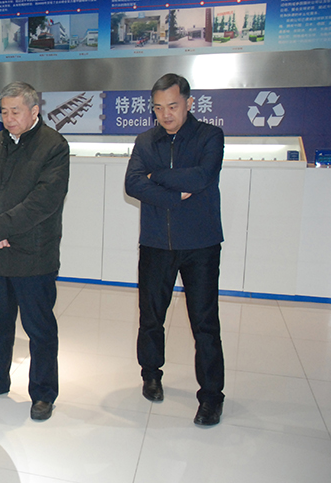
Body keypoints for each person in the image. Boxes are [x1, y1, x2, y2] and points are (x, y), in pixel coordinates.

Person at [124, 73, 225, 426]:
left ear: (189, 103)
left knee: (205, 323)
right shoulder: (145, 140)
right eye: (158, 108)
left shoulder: (210, 136)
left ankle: (211, 396)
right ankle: (151, 375)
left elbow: (202, 177)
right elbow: (132, 183)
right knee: (151, 317)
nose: (165, 114)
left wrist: (156, 177)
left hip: (200, 244)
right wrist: (171, 192)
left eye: (172, 106)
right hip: (156, 244)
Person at [0, 81, 70, 422]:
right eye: (4, 111)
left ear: (35, 111)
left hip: (33, 255)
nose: (8, 118)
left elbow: (44, 200)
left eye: (16, 111)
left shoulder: (54, 146)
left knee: (39, 329)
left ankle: (43, 393)